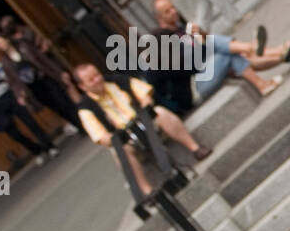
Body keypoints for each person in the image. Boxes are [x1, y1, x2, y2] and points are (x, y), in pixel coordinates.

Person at [72, 62, 211, 197]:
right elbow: (100, 136)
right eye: (91, 80)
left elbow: (143, 92)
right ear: (82, 86)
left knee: (160, 112)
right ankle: (148, 192)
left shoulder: (118, 80)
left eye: (97, 75)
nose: (97, 80)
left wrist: (145, 106)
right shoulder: (85, 109)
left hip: (146, 123)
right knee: (118, 149)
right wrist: (117, 137)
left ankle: (195, 148)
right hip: (127, 139)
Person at [146, 0, 286, 109]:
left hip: (208, 70)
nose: (173, 11)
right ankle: (256, 49)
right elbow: (193, 65)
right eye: (167, 11)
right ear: (160, 19)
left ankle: (278, 56)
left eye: (173, 7)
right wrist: (202, 44)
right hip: (197, 86)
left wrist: (200, 33)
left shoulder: (181, 29)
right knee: (223, 50)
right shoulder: (163, 42)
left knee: (231, 54)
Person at [0, 46, 57, 165]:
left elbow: (8, 78)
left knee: (30, 122)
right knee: (14, 134)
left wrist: (18, 93)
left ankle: (49, 146)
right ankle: (36, 150)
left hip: (8, 96)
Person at [0, 17, 81, 133]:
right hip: (34, 88)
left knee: (64, 101)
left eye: (2, 41)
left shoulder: (23, 45)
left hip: (44, 77)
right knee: (57, 108)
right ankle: (78, 125)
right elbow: (13, 81)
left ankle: (83, 122)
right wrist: (20, 95)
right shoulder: (6, 62)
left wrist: (59, 72)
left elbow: (42, 59)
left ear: (7, 39)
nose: (2, 44)